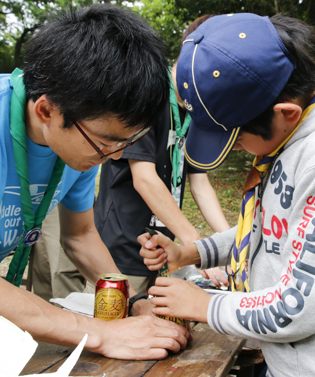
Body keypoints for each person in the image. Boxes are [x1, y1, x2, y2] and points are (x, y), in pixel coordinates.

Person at [138, 13, 315, 376]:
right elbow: (269, 228)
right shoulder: (293, 141)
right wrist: (194, 252)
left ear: (286, 114)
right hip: (291, 360)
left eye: (237, 138)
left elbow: (296, 308)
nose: (239, 150)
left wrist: (205, 304)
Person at [0, 4, 189, 360]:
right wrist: (101, 334)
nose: (114, 156)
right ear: (46, 110)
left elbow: (79, 235)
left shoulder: (77, 144)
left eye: (125, 142)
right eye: (106, 142)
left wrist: (131, 300)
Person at [93, 15, 230, 295]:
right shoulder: (148, 94)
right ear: (188, 53)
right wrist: (195, 244)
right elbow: (144, 178)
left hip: (161, 246)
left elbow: (200, 183)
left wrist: (230, 245)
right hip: (122, 242)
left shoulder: (197, 111)